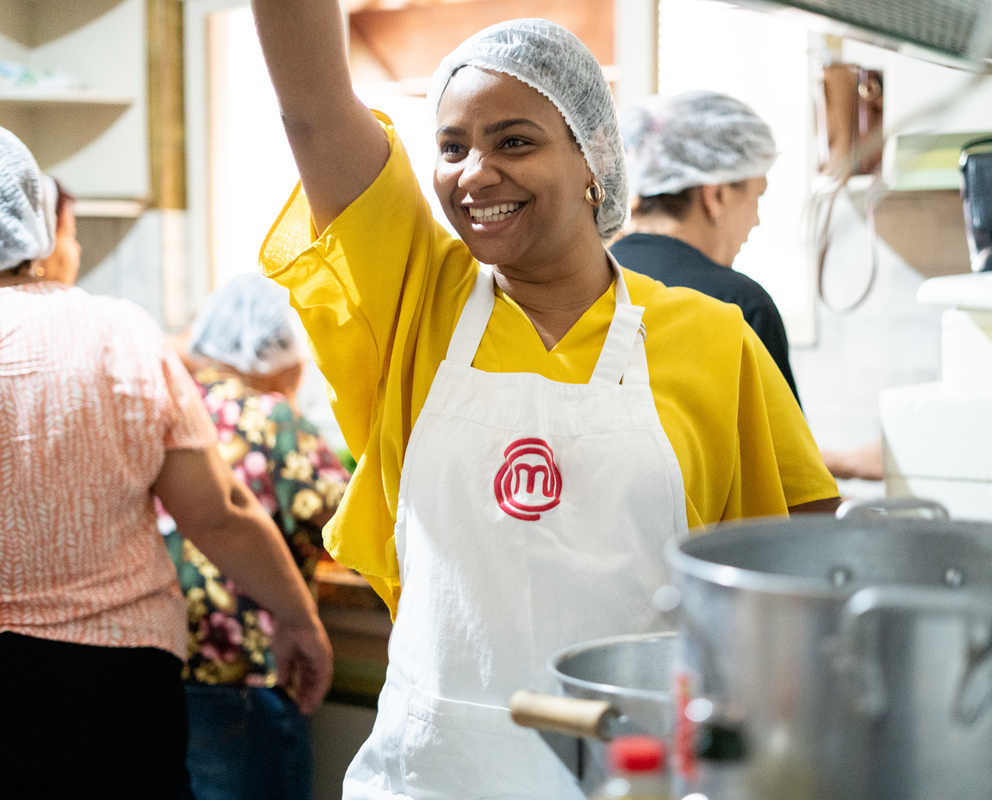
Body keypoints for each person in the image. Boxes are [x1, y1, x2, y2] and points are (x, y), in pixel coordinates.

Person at [250, 4, 839, 797]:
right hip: (432, 775)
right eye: (452, 146)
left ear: (593, 156)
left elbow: (791, 565)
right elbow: (314, 113)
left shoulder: (713, 339)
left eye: (514, 141)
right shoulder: (416, 299)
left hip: (631, 773)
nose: (474, 173)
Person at [0, 126, 333, 799]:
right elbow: (220, 514)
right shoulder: (117, 332)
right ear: (35, 216)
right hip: (115, 680)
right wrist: (295, 617)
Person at [159, 273, 351, 800]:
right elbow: (344, 521)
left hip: (165, 658)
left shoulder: (171, 409)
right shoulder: (271, 418)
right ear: (275, 352)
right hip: (250, 664)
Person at [610, 90, 800, 401]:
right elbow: (782, 448)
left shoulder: (588, 282)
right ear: (717, 196)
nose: (756, 221)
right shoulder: (739, 306)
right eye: (757, 197)